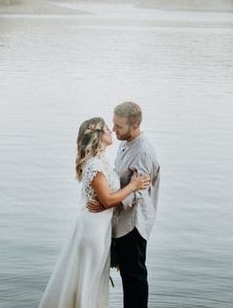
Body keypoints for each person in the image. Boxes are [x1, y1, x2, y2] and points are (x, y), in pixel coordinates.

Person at [39, 117, 151, 308]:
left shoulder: (102, 161)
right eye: (107, 128)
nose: (111, 130)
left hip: (100, 229)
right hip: (92, 231)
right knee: (88, 280)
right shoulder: (94, 165)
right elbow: (107, 199)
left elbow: (108, 199)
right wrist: (133, 186)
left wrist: (111, 200)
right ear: (98, 135)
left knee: (92, 280)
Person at [87, 101, 160, 308]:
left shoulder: (143, 151)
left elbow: (138, 193)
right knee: (127, 274)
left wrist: (106, 203)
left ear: (134, 127)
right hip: (122, 220)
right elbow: (123, 181)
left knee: (134, 276)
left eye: (119, 126)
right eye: (114, 124)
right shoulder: (124, 142)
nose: (114, 129)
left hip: (134, 223)